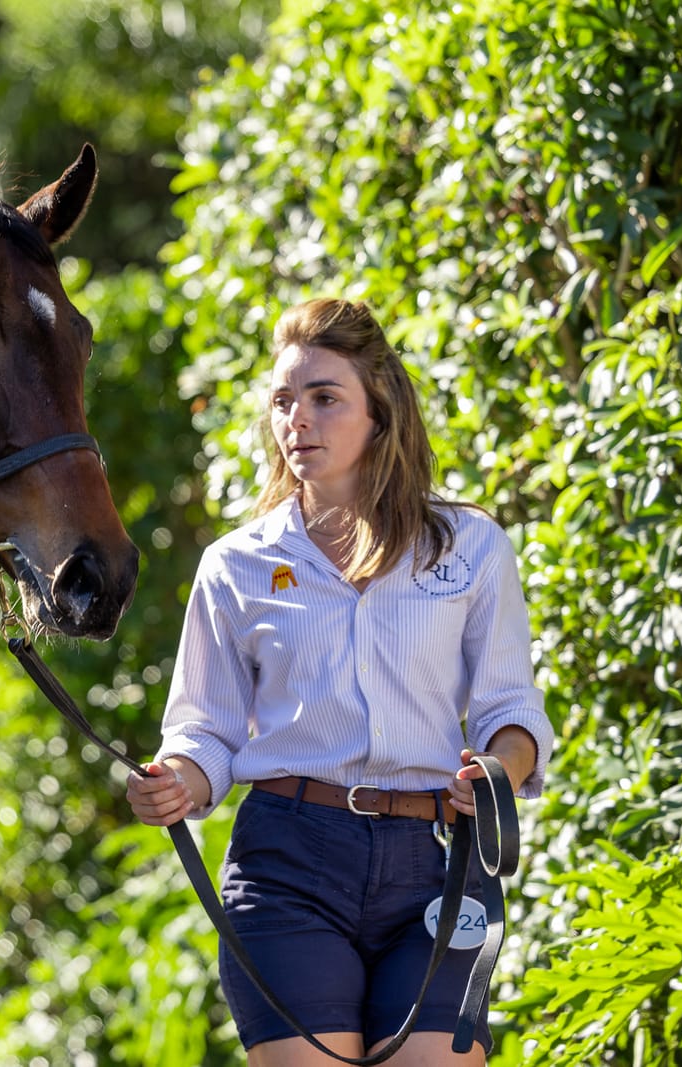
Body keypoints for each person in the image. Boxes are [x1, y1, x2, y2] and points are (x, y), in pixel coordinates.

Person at [126, 298, 553, 1066]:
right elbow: (205, 731)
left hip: (435, 863)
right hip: (288, 863)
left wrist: (497, 770)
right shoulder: (236, 564)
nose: (299, 420)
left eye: (325, 397)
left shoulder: (472, 548)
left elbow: (511, 712)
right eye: (284, 401)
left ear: (379, 410)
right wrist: (176, 781)